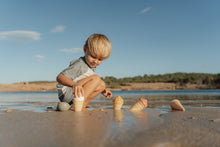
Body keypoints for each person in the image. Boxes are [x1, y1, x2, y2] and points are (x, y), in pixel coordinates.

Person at [56, 33, 112, 111]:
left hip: (74, 92)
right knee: (96, 78)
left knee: (102, 84)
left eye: (100, 59)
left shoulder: (90, 65)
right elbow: (59, 77)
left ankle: (81, 105)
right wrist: (74, 84)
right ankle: (76, 106)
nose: (95, 61)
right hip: (66, 93)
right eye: (93, 56)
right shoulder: (80, 65)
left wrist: (103, 91)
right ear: (85, 49)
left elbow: (87, 82)